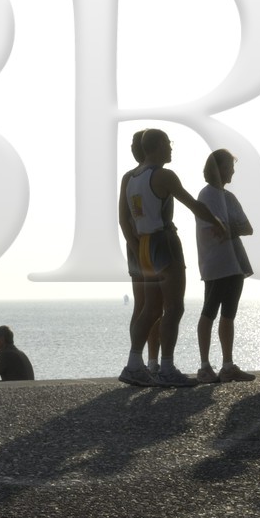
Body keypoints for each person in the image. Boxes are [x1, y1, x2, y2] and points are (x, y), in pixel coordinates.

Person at [120, 128, 225, 387]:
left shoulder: (130, 177)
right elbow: (193, 205)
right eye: (168, 143)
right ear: (155, 146)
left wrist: (135, 248)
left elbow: (124, 219)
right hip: (163, 241)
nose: (171, 148)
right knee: (174, 307)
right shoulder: (163, 176)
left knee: (150, 308)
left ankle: (134, 364)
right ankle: (166, 367)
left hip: (141, 244)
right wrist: (218, 222)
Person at [194, 149, 256, 383]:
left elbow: (246, 228)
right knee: (209, 311)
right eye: (229, 166)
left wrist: (230, 228)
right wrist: (231, 228)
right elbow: (222, 227)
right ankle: (204, 365)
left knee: (228, 314)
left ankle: (227, 364)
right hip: (216, 262)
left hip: (235, 263)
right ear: (218, 168)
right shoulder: (206, 195)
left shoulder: (228, 197)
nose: (232, 171)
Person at [117, 129, 162, 374]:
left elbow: (124, 220)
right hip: (144, 245)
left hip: (136, 245)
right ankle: (146, 360)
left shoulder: (130, 177)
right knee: (152, 305)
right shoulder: (137, 177)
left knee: (144, 305)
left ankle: (146, 360)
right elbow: (124, 219)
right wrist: (137, 247)